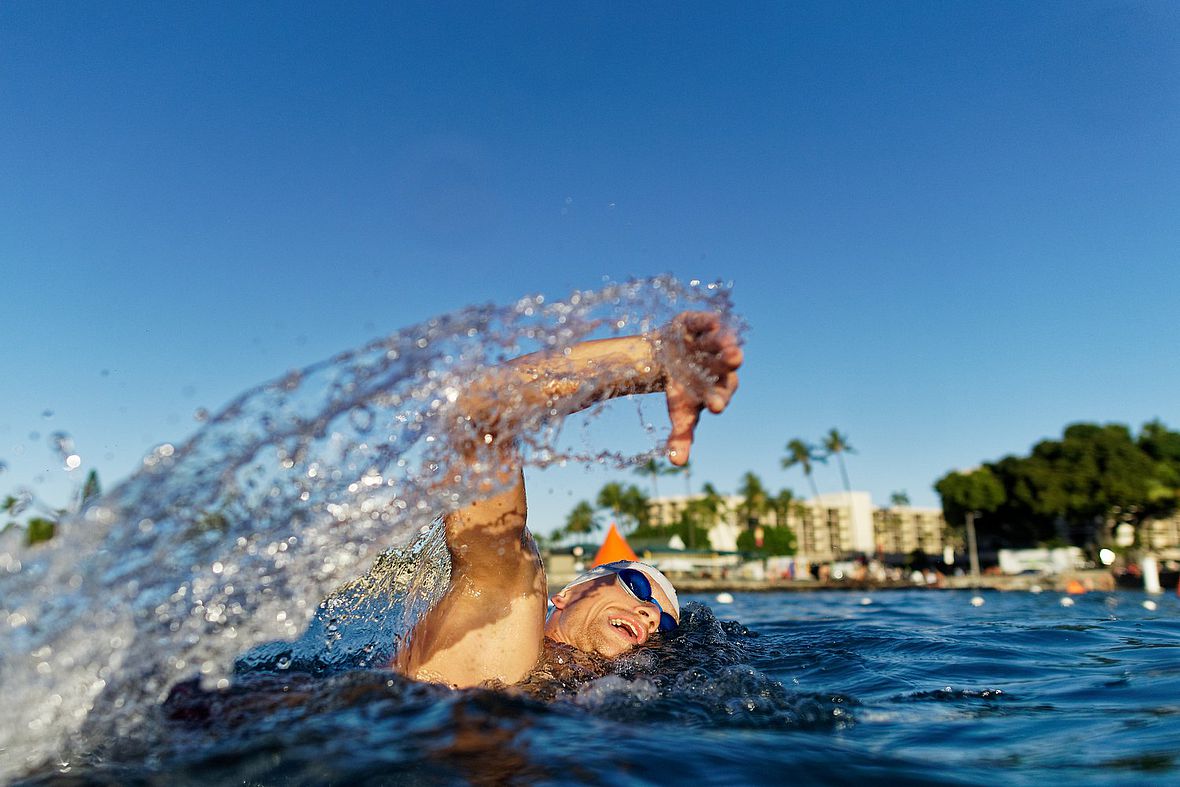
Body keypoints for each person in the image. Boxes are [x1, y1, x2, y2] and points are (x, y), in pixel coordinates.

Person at [391, 311, 742, 687]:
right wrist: (650, 359)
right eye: (635, 586)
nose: (651, 615)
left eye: (665, 621)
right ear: (566, 595)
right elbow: (483, 410)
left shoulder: (592, 703)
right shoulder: (503, 613)